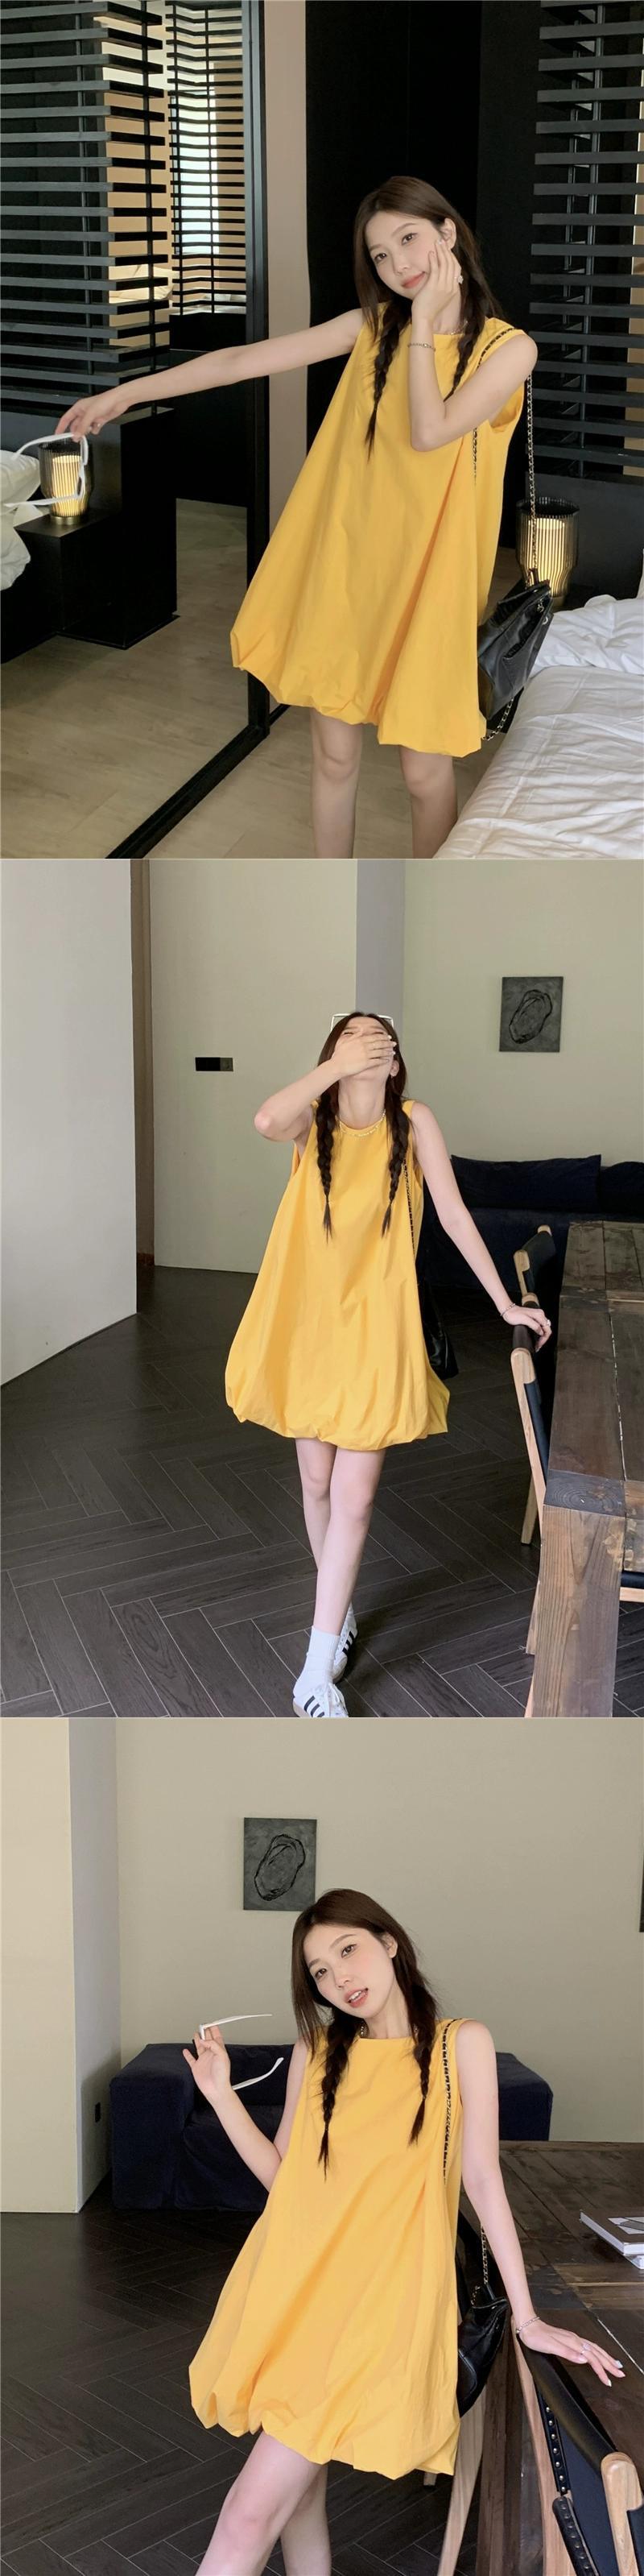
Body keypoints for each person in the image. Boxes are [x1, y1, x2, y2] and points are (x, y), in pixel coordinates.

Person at [56, 176, 536, 858]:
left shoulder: (509, 350)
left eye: (408, 238)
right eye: (380, 255)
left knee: (424, 773)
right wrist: (126, 394)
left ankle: (429, 908)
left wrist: (426, 324)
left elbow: (431, 432)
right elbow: (242, 361)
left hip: (430, 580)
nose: (398, 264)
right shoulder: (373, 328)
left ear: (447, 233)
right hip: (343, 568)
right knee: (334, 758)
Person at [184, 1888, 624, 2576]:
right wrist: (219, 2094)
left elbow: (483, 2181)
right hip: (300, 2296)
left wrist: (528, 2318)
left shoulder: (460, 2045)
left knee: (248, 2513)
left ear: (389, 1943)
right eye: (320, 1971)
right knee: (297, 2497)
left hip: (381, 2308)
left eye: (348, 1950)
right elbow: (282, 2178)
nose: (339, 1978)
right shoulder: (317, 2051)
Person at [225, 1013, 551, 1720]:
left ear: (397, 1060)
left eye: (383, 1039)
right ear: (336, 1051)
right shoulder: (313, 1119)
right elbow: (265, 1119)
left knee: (356, 1497)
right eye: (357, 1036)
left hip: (376, 1330)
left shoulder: (414, 1121)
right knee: (316, 1483)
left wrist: (503, 1303)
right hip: (308, 1327)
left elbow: (455, 1217)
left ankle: (315, 1674)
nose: (374, 1044)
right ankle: (335, 1611)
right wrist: (335, 1068)